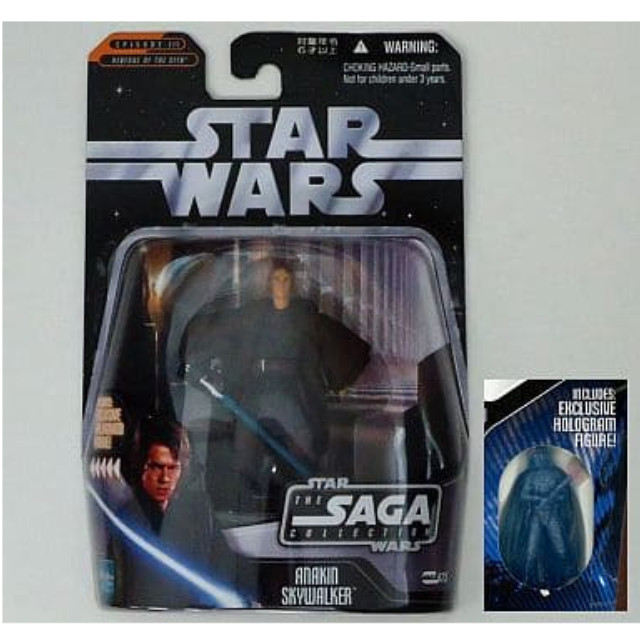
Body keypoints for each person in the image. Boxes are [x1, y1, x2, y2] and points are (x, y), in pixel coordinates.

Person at [182, 258, 370, 512]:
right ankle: (244, 504)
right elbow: (211, 334)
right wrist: (194, 364)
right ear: (268, 284)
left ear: (292, 284)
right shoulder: (249, 317)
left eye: (285, 279)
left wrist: (341, 381)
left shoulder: (306, 317)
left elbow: (352, 349)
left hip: (294, 391)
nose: (280, 285)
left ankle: (302, 500)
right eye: (276, 279)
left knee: (301, 449)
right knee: (244, 454)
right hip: (255, 391)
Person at [110, 416, 236, 608]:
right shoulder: (125, 518)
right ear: (142, 466)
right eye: (157, 467)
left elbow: (223, 571)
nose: (165, 478)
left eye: (173, 468)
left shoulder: (200, 510)